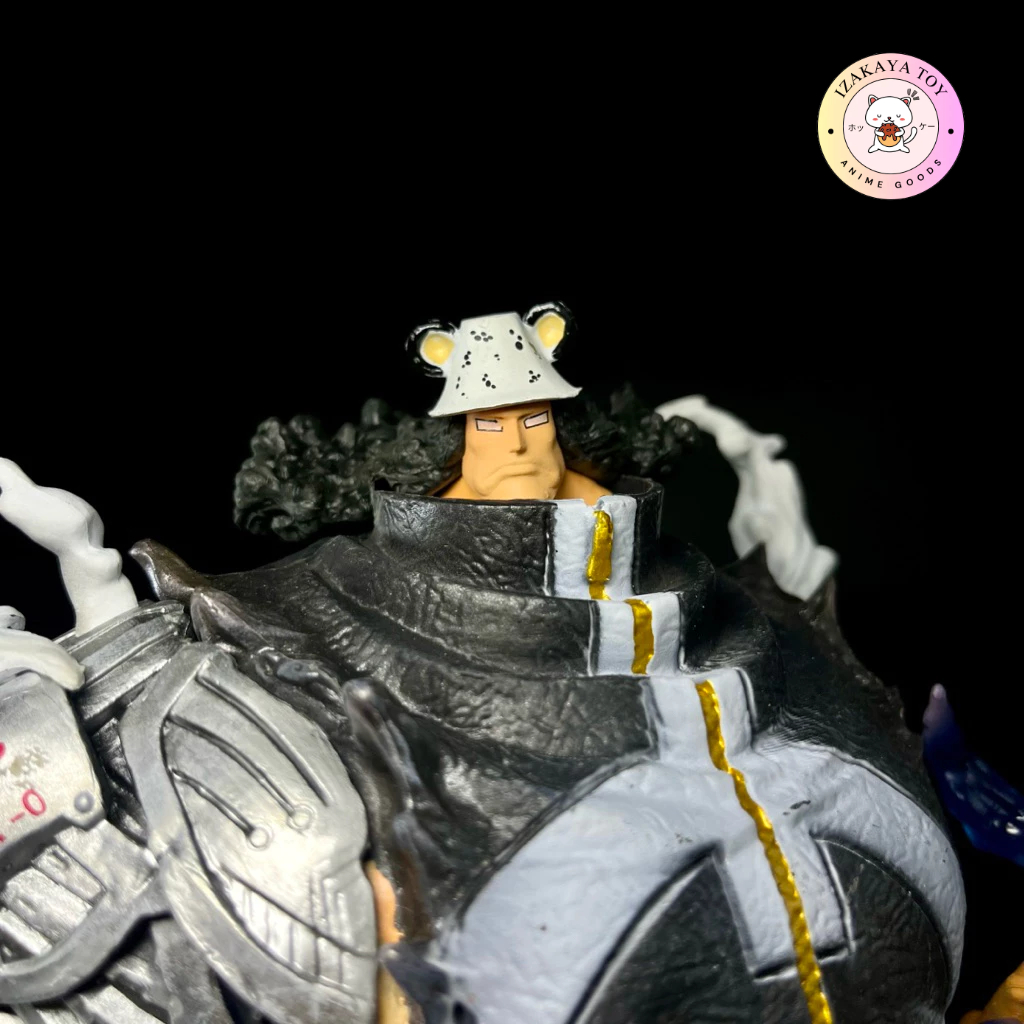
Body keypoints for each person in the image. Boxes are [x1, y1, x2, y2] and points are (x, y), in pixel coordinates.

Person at [0, 303, 978, 1023]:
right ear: (459, 437)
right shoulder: (312, 621)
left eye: (533, 419)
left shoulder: (741, 620)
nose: (517, 443)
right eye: (492, 423)